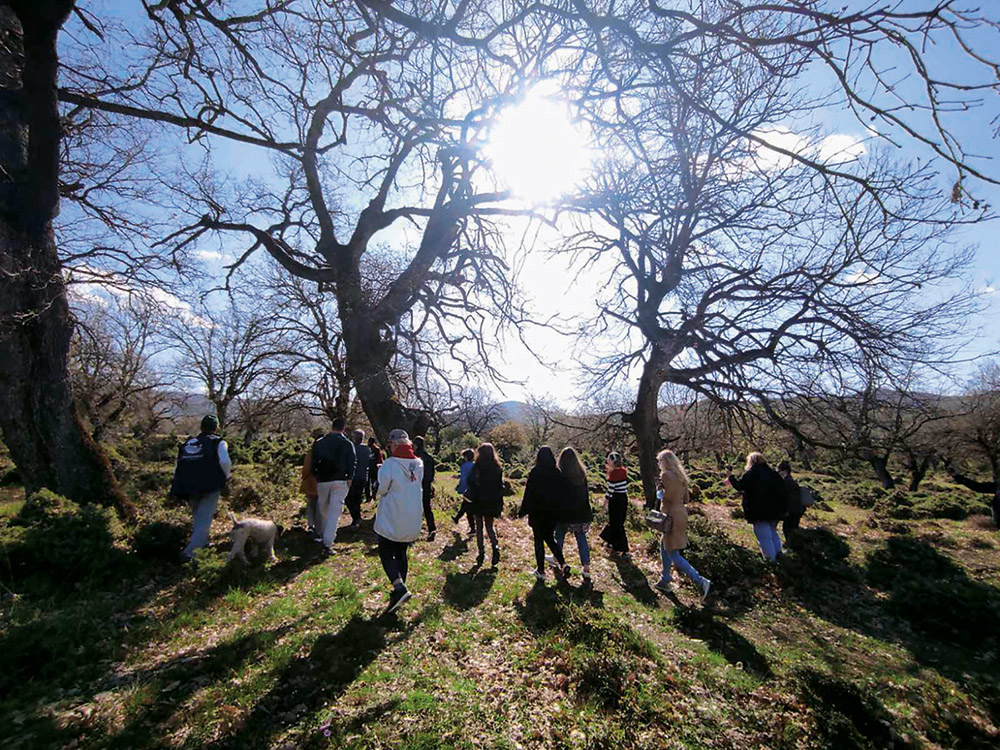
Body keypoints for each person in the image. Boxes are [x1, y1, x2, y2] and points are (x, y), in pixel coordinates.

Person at [373, 428, 425, 614]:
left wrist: (378, 480)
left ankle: (399, 587)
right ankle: (399, 591)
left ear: (394, 445)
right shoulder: (419, 463)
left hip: (393, 515)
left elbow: (381, 489)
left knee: (385, 549)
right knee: (402, 550)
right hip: (412, 514)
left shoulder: (390, 464)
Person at [172, 415, 232, 561]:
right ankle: (190, 553)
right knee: (204, 518)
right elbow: (224, 461)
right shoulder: (219, 442)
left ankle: (202, 544)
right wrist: (226, 477)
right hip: (209, 484)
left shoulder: (189, 442)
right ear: (216, 428)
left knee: (198, 517)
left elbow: (177, 465)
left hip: (186, 485)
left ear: (201, 427)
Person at [654, 450, 711, 601]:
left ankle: (700, 581)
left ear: (665, 461)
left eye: (660, 461)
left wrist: (660, 493)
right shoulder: (681, 477)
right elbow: (685, 498)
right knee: (664, 546)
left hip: (670, 516)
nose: (659, 464)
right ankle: (665, 579)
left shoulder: (666, 476)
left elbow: (668, 497)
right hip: (681, 514)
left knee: (673, 553)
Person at [518, 446, 568, 580]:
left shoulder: (535, 472)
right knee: (550, 538)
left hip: (537, 512)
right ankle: (563, 563)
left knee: (539, 541)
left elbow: (528, 493)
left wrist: (523, 511)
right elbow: (561, 495)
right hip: (552, 512)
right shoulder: (557, 472)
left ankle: (541, 570)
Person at [728, 452, 788, 561]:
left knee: (764, 537)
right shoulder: (773, 474)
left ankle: (771, 561)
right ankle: (779, 556)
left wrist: (730, 477)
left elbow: (739, 486)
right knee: (773, 533)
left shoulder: (752, 473)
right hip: (775, 510)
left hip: (759, 511)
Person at [311, 416, 356, 553]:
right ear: (343, 428)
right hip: (341, 480)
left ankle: (324, 536)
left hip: (323, 479)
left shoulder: (320, 442)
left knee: (323, 509)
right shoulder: (348, 444)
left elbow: (313, 461)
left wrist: (316, 475)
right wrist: (350, 478)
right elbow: (352, 462)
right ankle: (328, 542)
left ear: (332, 426)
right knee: (334, 512)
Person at [553, 447, 593, 582]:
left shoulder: (560, 474)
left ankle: (559, 561)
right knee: (581, 538)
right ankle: (586, 567)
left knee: (559, 536)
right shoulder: (582, 473)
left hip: (564, 513)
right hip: (581, 512)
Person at [467, 442, 505, 567]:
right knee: (489, 526)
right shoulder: (497, 467)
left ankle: (481, 552)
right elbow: (500, 486)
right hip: (492, 501)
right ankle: (495, 547)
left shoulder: (477, 467)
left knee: (479, 527)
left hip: (478, 500)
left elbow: (470, 481)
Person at [598, 451, 630, 559]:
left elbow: (610, 492)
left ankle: (624, 549)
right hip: (623, 499)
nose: (607, 461)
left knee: (617, 525)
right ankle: (611, 544)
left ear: (613, 461)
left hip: (615, 500)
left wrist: (603, 506)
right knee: (617, 522)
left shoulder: (613, 474)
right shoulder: (623, 471)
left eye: (609, 459)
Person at [344, 429, 371, 531]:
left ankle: (356, 518)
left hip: (353, 477)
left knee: (349, 498)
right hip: (363, 477)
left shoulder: (351, 448)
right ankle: (357, 518)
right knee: (357, 498)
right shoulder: (366, 449)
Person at [299, 427, 325, 533]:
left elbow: (306, 469)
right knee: (320, 505)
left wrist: (304, 477)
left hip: (310, 482)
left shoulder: (311, 453)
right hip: (322, 482)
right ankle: (319, 527)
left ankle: (311, 525)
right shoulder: (326, 453)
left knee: (310, 505)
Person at [413, 435, 437, 541]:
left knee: (413, 508)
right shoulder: (429, 457)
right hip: (426, 485)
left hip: (415, 486)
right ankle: (432, 529)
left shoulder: (413, 457)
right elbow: (432, 473)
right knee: (427, 508)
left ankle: (413, 530)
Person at [778, 460, 804, 543]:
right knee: (792, 530)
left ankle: (792, 547)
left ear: (784, 471)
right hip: (797, 510)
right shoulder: (792, 481)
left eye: (779, 471)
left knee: (788, 530)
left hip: (792, 511)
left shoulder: (787, 482)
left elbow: (788, 498)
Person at [453, 448, 476, 534]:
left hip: (468, 490)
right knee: (467, 506)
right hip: (476, 491)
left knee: (468, 509)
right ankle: (457, 518)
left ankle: (473, 529)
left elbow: (464, 479)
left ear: (466, 457)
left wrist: (460, 489)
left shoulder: (464, 466)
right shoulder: (475, 465)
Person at [366, 437, 383, 502]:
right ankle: (369, 496)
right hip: (370, 468)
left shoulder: (376, 449)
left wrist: (379, 465)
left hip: (373, 468)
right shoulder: (367, 448)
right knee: (368, 483)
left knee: (373, 483)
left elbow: (380, 459)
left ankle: (373, 495)